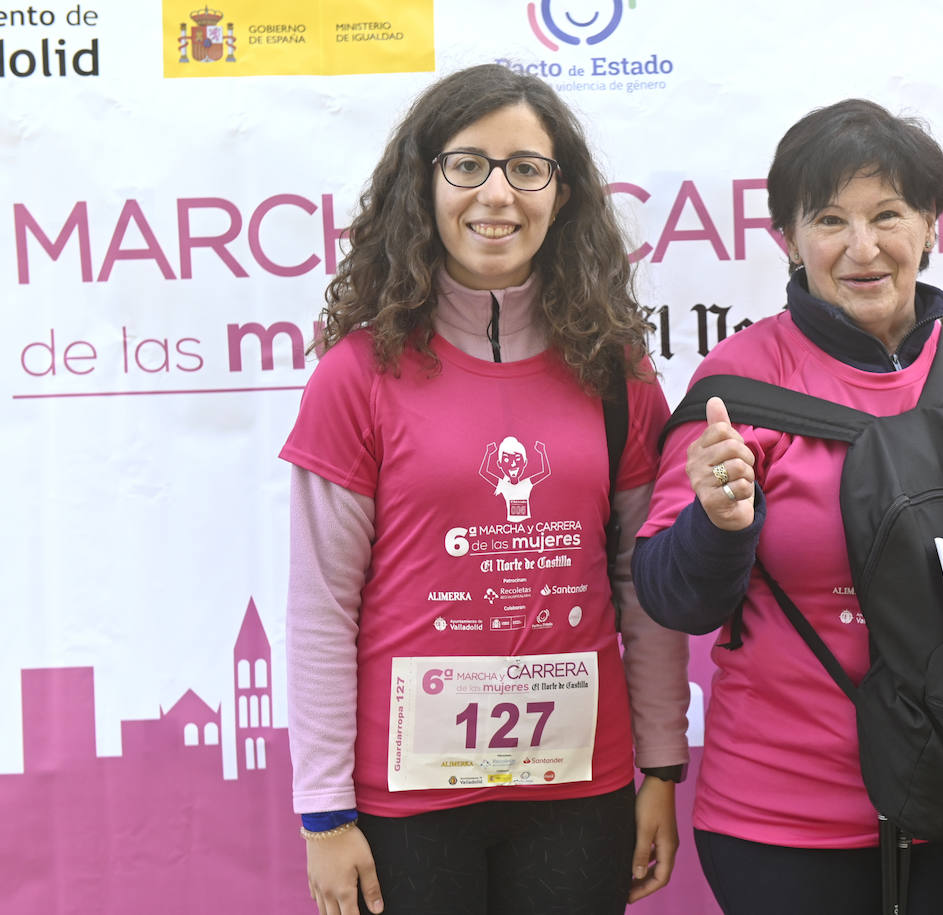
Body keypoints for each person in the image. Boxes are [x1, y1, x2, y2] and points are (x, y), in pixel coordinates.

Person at [632, 98, 943, 915]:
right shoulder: (740, 385)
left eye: (888, 215)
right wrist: (719, 520)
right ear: (787, 237)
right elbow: (675, 598)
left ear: (929, 226)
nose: (863, 247)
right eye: (829, 220)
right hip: (791, 817)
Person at [280, 63, 689, 915]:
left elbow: (641, 588)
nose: (496, 194)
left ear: (562, 191)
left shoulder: (615, 370)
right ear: (422, 185)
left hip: (581, 789)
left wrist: (660, 765)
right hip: (408, 801)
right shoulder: (357, 375)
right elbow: (323, 605)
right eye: (468, 165)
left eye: (525, 168)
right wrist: (324, 815)